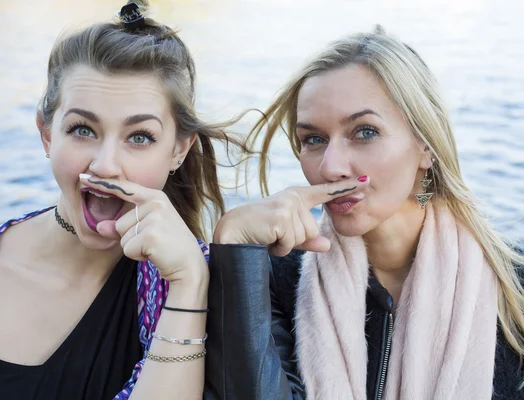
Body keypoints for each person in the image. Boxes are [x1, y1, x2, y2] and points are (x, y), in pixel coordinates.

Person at [0, 2, 245, 399]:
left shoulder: (214, 287)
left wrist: (189, 281)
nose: (106, 165)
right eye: (82, 130)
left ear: (178, 150)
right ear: (46, 134)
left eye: (139, 137)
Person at [204, 26, 524, 400]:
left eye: (365, 132)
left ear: (426, 143)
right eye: (314, 139)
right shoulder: (274, 278)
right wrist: (235, 253)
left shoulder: (512, 288)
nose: (330, 167)